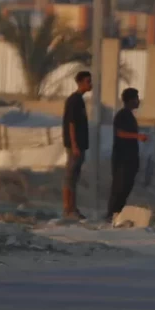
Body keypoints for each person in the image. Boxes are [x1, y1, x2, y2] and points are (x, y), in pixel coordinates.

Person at [107, 88, 149, 221]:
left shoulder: (129, 116)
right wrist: (137, 136)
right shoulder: (122, 115)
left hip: (130, 157)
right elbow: (119, 133)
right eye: (136, 98)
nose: (138, 101)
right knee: (120, 187)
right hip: (122, 158)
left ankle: (118, 214)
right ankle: (112, 214)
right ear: (130, 100)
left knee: (126, 187)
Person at [61, 70, 93, 220]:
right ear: (80, 83)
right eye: (88, 81)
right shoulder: (74, 100)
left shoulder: (80, 100)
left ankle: (73, 207)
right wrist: (74, 145)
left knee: (74, 177)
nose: (90, 84)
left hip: (80, 145)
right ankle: (68, 208)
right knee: (70, 177)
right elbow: (71, 124)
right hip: (75, 146)